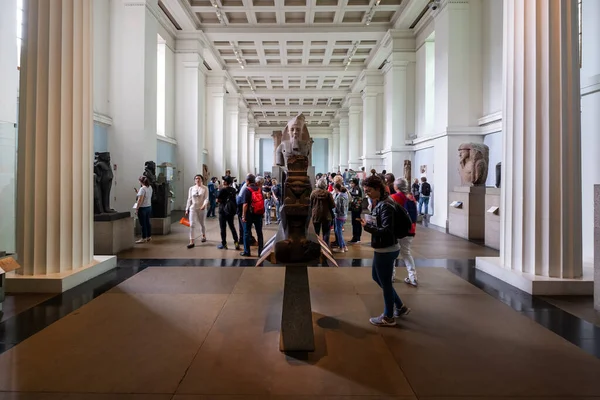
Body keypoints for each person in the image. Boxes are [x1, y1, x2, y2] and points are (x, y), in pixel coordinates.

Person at [359, 175, 411, 326]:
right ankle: (400, 306)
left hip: (386, 248)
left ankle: (388, 317)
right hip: (384, 247)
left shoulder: (385, 205)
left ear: (377, 189)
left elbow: (386, 230)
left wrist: (367, 227)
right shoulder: (384, 202)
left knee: (386, 283)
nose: (366, 193)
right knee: (377, 277)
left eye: (368, 191)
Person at [391, 178, 418, 286]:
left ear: (396, 187)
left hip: (396, 229)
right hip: (410, 229)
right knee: (406, 253)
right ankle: (413, 277)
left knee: (393, 253)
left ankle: (391, 276)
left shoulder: (393, 198)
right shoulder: (411, 198)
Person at [240, 174, 264, 257]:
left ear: (247, 181)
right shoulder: (259, 189)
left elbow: (245, 204)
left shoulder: (247, 190)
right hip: (258, 214)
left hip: (249, 215)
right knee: (259, 233)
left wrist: (243, 215)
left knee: (246, 233)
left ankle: (247, 252)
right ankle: (261, 251)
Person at [216, 176, 240, 250]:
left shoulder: (222, 190)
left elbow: (217, 200)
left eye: (223, 180)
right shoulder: (233, 190)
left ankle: (224, 244)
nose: (222, 181)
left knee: (223, 228)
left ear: (225, 182)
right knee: (232, 227)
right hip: (230, 211)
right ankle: (236, 243)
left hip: (222, 210)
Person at [310, 178, 336, 246]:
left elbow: (310, 204)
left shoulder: (313, 193)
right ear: (325, 184)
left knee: (316, 233)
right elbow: (333, 205)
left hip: (316, 215)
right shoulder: (328, 194)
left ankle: (316, 247)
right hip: (327, 216)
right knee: (326, 233)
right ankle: (325, 247)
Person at [185, 174, 208, 249]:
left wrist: (204, 205)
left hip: (201, 208)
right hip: (193, 208)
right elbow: (189, 199)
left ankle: (203, 236)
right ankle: (191, 241)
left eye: (199, 178)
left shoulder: (205, 188)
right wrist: (187, 209)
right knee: (192, 224)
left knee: (202, 223)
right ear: (194, 180)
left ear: (201, 180)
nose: (197, 180)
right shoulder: (191, 188)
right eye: (196, 178)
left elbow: (206, 198)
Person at [135, 176, 153, 244]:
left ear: (141, 181)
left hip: (143, 208)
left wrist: (137, 208)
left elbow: (140, 200)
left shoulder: (142, 189)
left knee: (143, 224)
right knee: (147, 222)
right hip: (149, 207)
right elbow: (146, 196)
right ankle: (149, 236)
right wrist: (138, 193)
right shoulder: (150, 187)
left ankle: (143, 238)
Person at [333, 182, 349, 252]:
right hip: (344, 215)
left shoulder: (339, 196)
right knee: (338, 231)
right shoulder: (346, 195)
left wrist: (334, 210)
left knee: (338, 232)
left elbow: (338, 207)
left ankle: (341, 247)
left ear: (336, 189)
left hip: (339, 216)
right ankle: (344, 246)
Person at [348, 178, 363, 244]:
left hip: (356, 208)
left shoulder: (356, 188)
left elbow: (356, 194)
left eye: (352, 183)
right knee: (355, 222)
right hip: (355, 208)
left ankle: (357, 237)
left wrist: (349, 192)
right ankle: (356, 237)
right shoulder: (355, 188)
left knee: (356, 222)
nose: (351, 184)